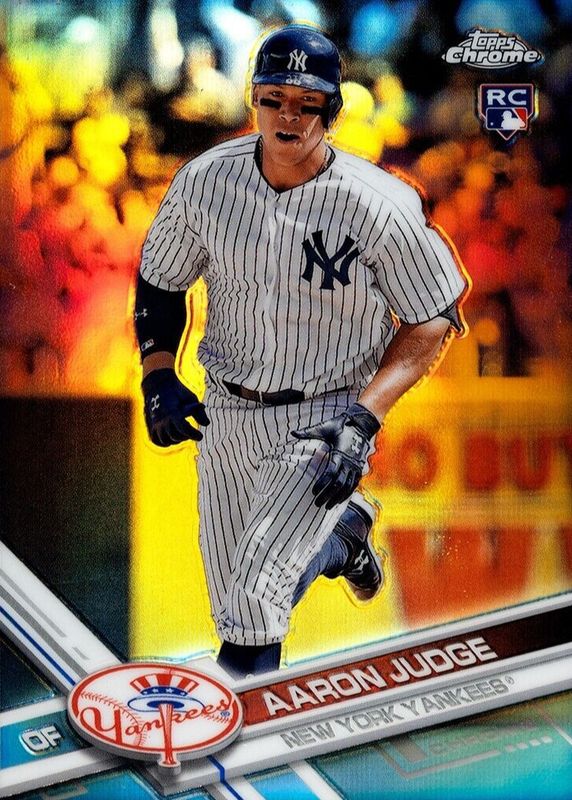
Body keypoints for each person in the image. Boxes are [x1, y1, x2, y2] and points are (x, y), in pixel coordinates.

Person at [134, 24, 468, 678]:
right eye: (274, 98)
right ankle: (342, 538)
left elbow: (433, 317)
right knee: (237, 606)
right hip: (228, 411)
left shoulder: (378, 202)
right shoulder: (206, 182)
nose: (287, 116)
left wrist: (364, 418)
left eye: (306, 102)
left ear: (331, 110)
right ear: (254, 99)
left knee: (258, 597)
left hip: (326, 414)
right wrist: (158, 374)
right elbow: (160, 279)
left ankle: (244, 733)